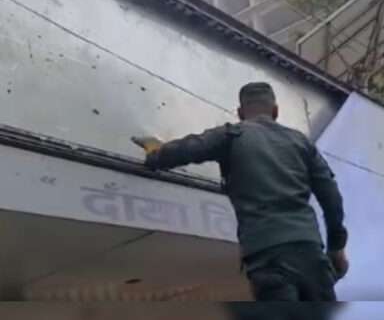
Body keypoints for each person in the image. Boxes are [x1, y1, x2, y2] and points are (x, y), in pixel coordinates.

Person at [133, 82, 348, 301]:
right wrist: (336, 247)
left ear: (240, 112)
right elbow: (331, 197)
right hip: (310, 252)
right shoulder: (301, 142)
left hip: (267, 257)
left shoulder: (231, 135)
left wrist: (155, 155)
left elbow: (189, 148)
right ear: (275, 111)